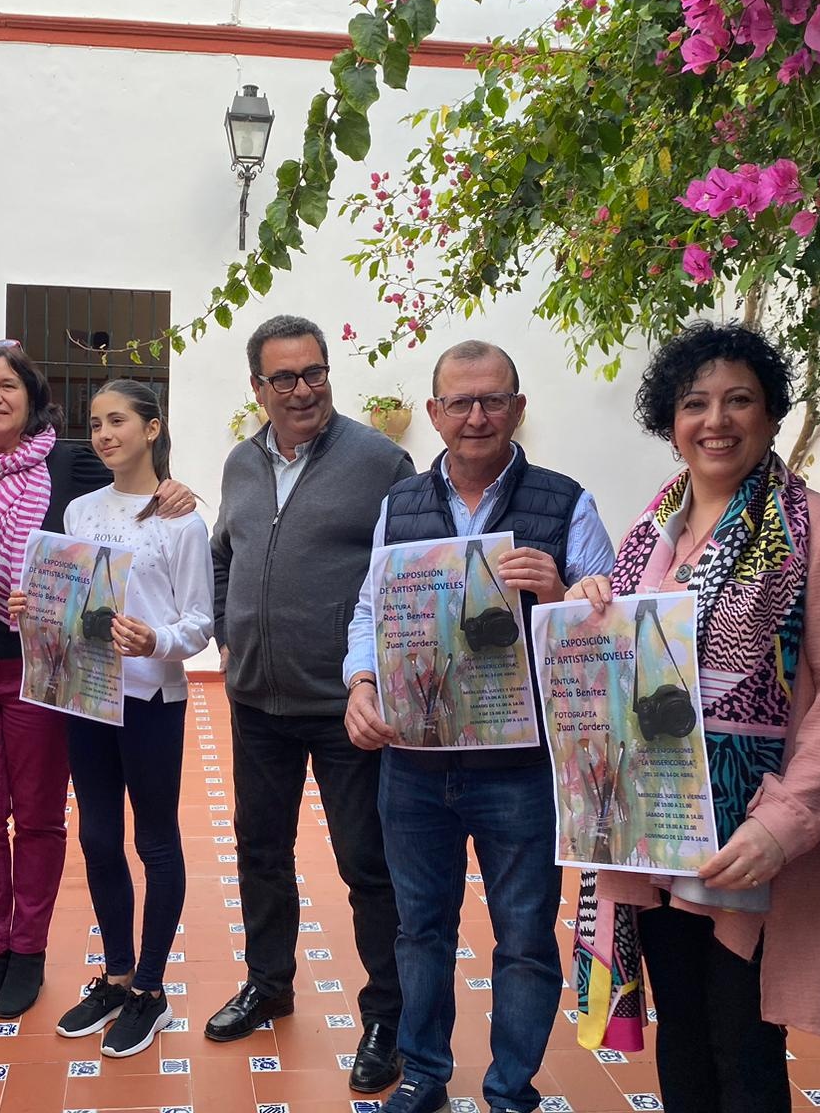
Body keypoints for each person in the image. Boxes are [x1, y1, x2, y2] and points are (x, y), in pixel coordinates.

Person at [564, 323, 820, 1112]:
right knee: (683, 1031)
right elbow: (626, 662)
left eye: (740, 400)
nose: (717, 420)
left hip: (752, 834)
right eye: (695, 403)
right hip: (656, 826)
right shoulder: (650, 530)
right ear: (670, 423)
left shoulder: (819, 531)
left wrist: (786, 820)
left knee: (741, 1038)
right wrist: (587, 608)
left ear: (772, 415)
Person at [343, 340, 617, 1113]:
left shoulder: (568, 503)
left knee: (526, 941)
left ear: (518, 408)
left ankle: (509, 1093)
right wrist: (361, 681)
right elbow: (371, 610)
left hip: (522, 769)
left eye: (493, 400)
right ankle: (425, 1074)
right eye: (459, 402)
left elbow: (603, 637)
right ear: (432, 414)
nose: (476, 416)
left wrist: (561, 591)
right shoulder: (400, 506)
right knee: (418, 930)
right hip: (415, 762)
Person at [0, 339, 192, 1021]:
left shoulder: (67, 463)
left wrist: (178, 487)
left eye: (8, 383)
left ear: (32, 398)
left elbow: (143, 492)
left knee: (45, 815)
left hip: (54, 675)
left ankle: (43, 955)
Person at [206, 314, 412, 1093]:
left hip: (343, 706)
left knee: (367, 864)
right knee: (260, 849)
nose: (303, 390)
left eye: (315, 372)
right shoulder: (240, 463)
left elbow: (405, 576)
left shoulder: (379, 461)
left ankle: (386, 1016)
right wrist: (230, 636)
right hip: (257, 700)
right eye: (284, 378)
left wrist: (374, 675)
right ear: (256, 388)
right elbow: (224, 554)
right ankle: (270, 983)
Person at [7, 379, 212, 1058]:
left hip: (151, 698)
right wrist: (32, 609)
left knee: (154, 841)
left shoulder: (180, 518)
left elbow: (199, 622)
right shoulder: (80, 511)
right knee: (97, 838)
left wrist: (157, 641)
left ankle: (152, 991)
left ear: (152, 429)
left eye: (118, 420)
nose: (104, 434)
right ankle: (118, 975)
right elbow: (70, 601)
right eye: (95, 423)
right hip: (86, 694)